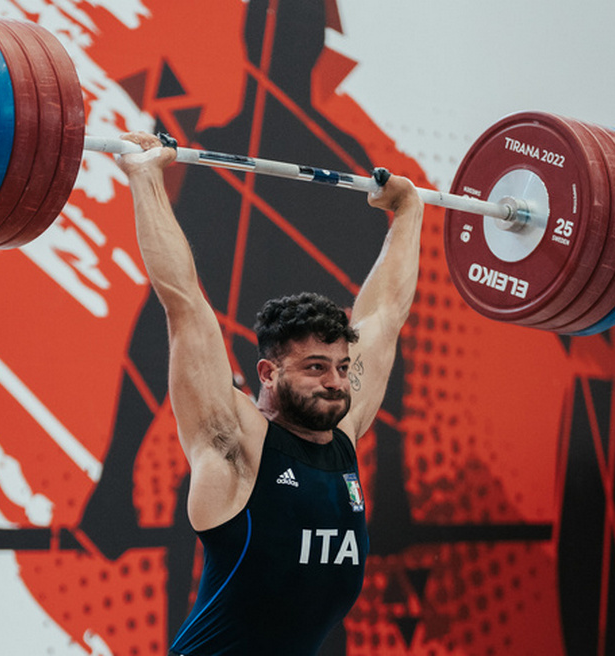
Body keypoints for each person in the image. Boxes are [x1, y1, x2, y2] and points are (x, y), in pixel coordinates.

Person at [115, 131, 424, 656]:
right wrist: (146, 176)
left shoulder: (342, 430)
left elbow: (385, 316)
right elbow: (184, 302)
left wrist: (407, 211)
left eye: (342, 367)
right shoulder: (234, 443)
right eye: (315, 367)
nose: (335, 381)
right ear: (267, 372)